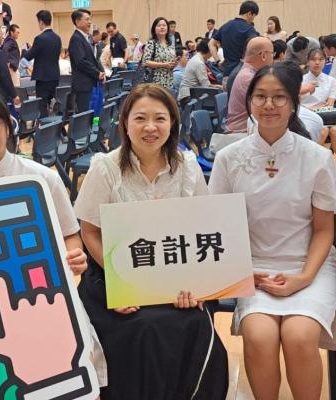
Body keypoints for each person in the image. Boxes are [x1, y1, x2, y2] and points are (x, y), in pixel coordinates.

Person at [0, 85, 106, 384]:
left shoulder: (42, 178)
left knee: (66, 375)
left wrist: (73, 256)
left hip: (44, 298)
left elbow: (70, 235)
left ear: (8, 126)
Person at [75, 83, 229, 399]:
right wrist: (121, 281)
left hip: (178, 275)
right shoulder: (105, 168)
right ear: (125, 123)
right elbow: (89, 232)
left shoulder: (187, 167)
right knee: (141, 327)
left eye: (160, 118)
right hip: (113, 276)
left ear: (172, 123)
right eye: (140, 118)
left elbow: (202, 227)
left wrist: (195, 283)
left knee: (192, 322)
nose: (150, 127)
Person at [209, 61, 336, 400]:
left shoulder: (316, 157)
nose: (269, 105)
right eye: (260, 97)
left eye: (279, 97)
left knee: (299, 336)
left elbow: (324, 231)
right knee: (259, 335)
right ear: (249, 101)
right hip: (252, 266)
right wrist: (243, 273)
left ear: (294, 103)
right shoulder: (228, 157)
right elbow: (219, 228)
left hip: (308, 264)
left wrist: (304, 277)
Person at [300, 49, 336, 155]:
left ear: (325, 61)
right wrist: (311, 109)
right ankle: (312, 159)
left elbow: (330, 103)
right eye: (313, 59)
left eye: (321, 59)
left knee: (334, 130)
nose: (317, 63)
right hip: (305, 114)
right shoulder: (300, 80)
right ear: (308, 61)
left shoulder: (331, 80)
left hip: (324, 114)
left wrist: (320, 109)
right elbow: (296, 103)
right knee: (323, 130)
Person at [226, 36, 274, 133]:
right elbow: (267, 109)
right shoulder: (249, 78)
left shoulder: (249, 73)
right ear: (263, 56)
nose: (273, 58)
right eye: (272, 53)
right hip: (241, 133)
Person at [23, 10, 63, 118]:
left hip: (42, 78)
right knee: (53, 103)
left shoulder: (40, 38)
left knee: (42, 104)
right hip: (55, 76)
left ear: (41, 22)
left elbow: (27, 57)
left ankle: (45, 126)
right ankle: (55, 125)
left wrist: (27, 64)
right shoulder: (57, 38)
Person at [209, 1, 259, 77]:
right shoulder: (249, 29)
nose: (253, 19)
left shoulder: (225, 26)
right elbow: (256, 48)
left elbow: (211, 44)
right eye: (254, 16)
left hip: (227, 72)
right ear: (249, 14)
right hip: (242, 73)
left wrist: (218, 61)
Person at [68, 8, 105, 112]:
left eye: (90, 19)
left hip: (89, 83)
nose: (90, 22)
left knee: (93, 114)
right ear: (77, 22)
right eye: (87, 19)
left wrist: (100, 72)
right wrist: (97, 73)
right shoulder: (76, 38)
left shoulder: (85, 38)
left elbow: (92, 59)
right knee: (85, 115)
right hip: (83, 85)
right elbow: (81, 61)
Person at [178, 39, 223, 106]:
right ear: (209, 50)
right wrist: (221, 87)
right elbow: (206, 85)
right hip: (188, 98)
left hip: (190, 94)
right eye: (214, 51)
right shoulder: (199, 63)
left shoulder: (196, 58)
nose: (214, 54)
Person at [142, 17, 177, 90]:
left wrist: (174, 64)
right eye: (159, 25)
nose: (162, 27)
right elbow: (145, 62)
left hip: (168, 80)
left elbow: (171, 62)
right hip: (155, 81)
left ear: (167, 28)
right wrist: (164, 65)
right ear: (154, 29)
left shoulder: (170, 45)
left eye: (164, 25)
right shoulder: (151, 43)